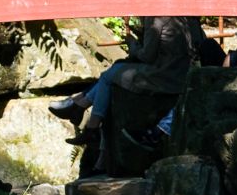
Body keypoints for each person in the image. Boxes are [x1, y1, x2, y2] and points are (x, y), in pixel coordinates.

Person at [48, 16, 221, 131]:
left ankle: (89, 122)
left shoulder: (156, 17)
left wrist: (132, 45)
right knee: (115, 68)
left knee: (110, 75)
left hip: (164, 76)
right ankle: (79, 105)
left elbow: (147, 55)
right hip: (181, 72)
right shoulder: (187, 17)